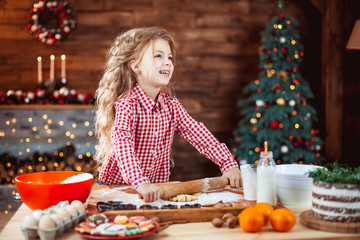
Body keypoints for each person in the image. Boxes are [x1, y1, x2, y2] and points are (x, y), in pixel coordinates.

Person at [95, 26, 242, 202]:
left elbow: (198, 133)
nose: (168, 62)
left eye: (169, 57)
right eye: (158, 56)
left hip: (155, 190)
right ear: (136, 66)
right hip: (119, 190)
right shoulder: (128, 105)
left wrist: (228, 163)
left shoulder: (171, 106)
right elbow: (122, 142)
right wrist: (140, 182)